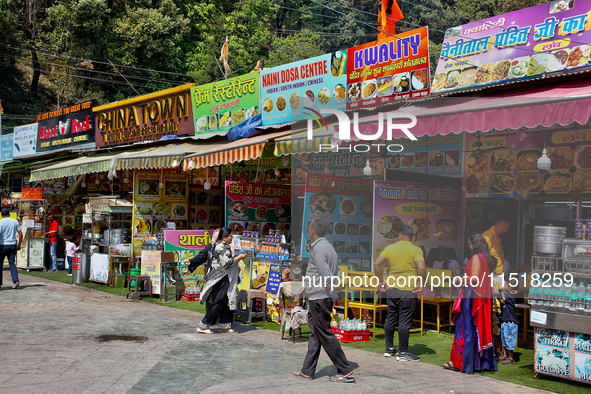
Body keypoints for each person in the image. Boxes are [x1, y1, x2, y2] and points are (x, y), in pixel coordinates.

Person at [294, 219, 355, 383]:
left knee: (325, 334)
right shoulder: (328, 247)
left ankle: (345, 368)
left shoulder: (319, 249)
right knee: (315, 333)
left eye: (308, 228)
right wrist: (334, 296)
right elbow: (337, 274)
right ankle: (307, 370)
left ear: (312, 231)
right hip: (321, 296)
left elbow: (327, 276)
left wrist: (333, 296)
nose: (308, 230)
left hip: (320, 297)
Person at [442, 233, 498, 374]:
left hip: (471, 297)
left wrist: (459, 279)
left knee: (464, 328)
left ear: (474, 245)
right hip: (480, 297)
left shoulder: (476, 257)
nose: (470, 247)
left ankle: (460, 362)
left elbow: (473, 280)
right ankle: (475, 362)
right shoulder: (486, 259)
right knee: (475, 329)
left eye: (470, 244)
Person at [374, 224, 426, 362]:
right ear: (411, 237)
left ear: (400, 236)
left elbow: (377, 264)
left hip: (392, 288)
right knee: (405, 320)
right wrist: (420, 283)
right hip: (409, 289)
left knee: (391, 317)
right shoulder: (416, 249)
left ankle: (389, 348)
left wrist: (381, 281)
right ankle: (403, 352)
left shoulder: (390, 248)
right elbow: (421, 268)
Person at [196, 228, 246, 334]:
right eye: (230, 236)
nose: (232, 238)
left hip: (226, 278)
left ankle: (224, 325)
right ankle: (203, 325)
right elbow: (227, 263)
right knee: (217, 301)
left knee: (226, 301)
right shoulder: (220, 247)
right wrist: (239, 258)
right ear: (224, 237)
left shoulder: (225, 246)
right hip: (220, 278)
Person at [483, 216, 511, 358]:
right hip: (491, 280)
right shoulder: (487, 237)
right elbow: (483, 262)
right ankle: (493, 349)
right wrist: (491, 283)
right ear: (504, 223)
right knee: (493, 315)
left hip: (498, 279)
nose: (508, 229)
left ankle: (497, 349)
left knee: (498, 314)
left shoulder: (496, 237)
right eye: (508, 225)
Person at [0, 208, 23, 289]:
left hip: (2, 244)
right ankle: (16, 281)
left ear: (1, 214)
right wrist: (19, 244)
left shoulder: (1, 222)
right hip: (13, 244)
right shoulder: (15, 221)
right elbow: (20, 233)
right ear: (9, 213)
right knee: (12, 264)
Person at [499, 284, 519, 365]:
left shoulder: (510, 295)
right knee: (504, 339)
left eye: (506, 285)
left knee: (509, 340)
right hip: (505, 321)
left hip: (511, 322)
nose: (504, 286)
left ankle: (511, 358)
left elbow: (498, 295)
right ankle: (505, 355)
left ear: (510, 288)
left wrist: (494, 287)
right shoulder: (507, 295)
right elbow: (501, 299)